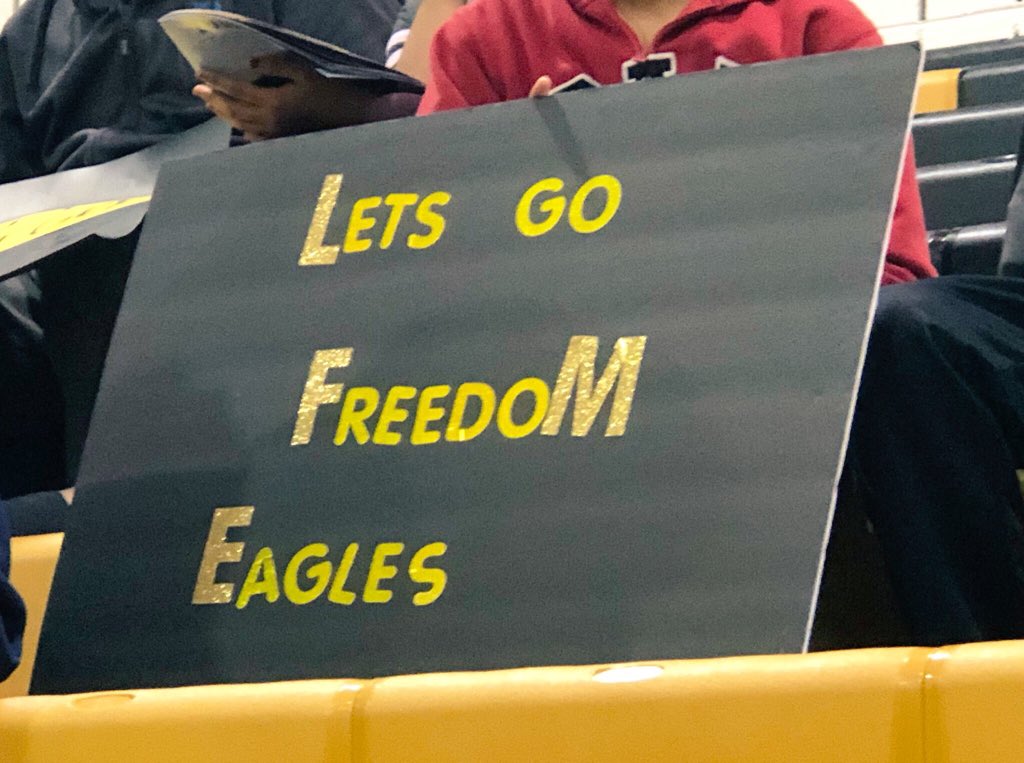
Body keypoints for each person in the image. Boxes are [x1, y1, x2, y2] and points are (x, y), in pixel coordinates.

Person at [0, 0, 402, 499]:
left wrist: (319, 110)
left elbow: (397, 117)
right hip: (84, 276)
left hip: (269, 231)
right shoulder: (33, 32)